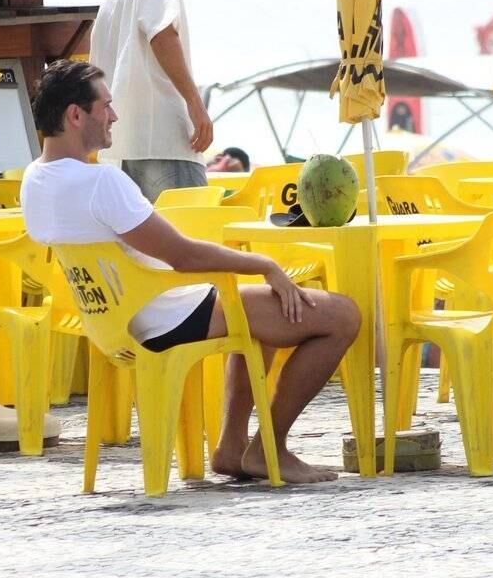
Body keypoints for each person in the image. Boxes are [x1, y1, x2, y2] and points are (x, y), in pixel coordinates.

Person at [23, 59, 360, 484]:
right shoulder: (100, 183)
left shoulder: (35, 179)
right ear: (76, 115)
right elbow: (182, 256)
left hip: (112, 320)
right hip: (162, 316)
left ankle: (233, 447)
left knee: (257, 309)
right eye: (105, 106)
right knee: (342, 316)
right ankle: (270, 448)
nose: (114, 116)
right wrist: (265, 264)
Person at [89, 0, 213, 203]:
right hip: (164, 138)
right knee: (191, 236)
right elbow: (161, 33)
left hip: (120, 144)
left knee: (144, 246)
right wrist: (195, 103)